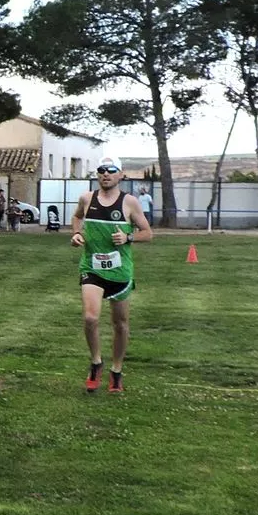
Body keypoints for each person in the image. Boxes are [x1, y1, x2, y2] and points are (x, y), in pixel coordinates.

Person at [71, 156, 153, 394]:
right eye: (101, 170)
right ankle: (96, 363)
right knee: (90, 318)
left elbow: (148, 233)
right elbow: (77, 217)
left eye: (111, 170)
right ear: (97, 175)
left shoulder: (130, 203)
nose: (105, 174)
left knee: (120, 324)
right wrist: (77, 234)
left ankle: (116, 371)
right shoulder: (87, 199)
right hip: (92, 267)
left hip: (119, 272)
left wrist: (128, 237)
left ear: (120, 175)